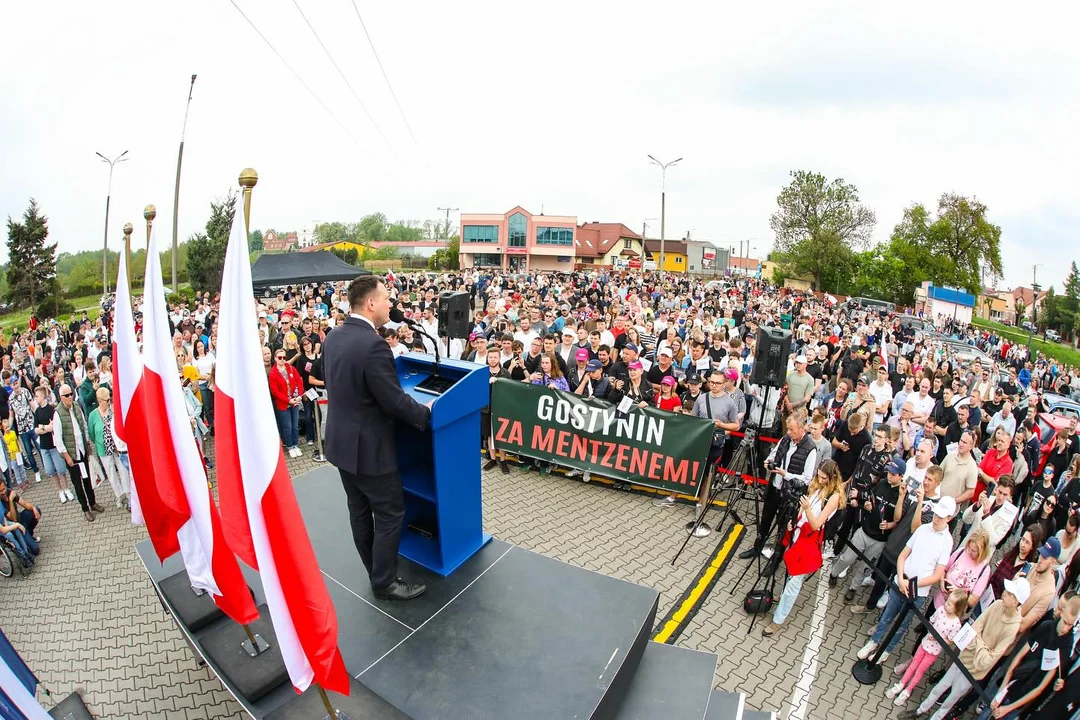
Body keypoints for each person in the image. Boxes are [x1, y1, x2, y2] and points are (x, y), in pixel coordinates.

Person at [323, 275, 431, 602]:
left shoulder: (334, 336)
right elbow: (394, 400)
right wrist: (426, 412)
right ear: (371, 303)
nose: (390, 304)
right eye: (386, 298)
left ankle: (374, 568)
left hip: (341, 445)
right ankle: (384, 582)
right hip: (370, 451)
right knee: (390, 513)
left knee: (359, 511)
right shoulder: (373, 345)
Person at [899, 578, 1027, 720]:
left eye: (1009, 593)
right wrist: (982, 645)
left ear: (1016, 601)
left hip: (974, 670)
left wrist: (977, 641)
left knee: (951, 699)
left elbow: (989, 659)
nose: (1005, 593)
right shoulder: (996, 604)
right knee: (940, 687)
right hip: (964, 656)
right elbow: (974, 628)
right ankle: (920, 710)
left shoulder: (1012, 628)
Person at [761, 459, 843, 637]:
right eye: (818, 476)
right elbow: (802, 508)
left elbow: (816, 524)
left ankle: (778, 620)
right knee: (790, 569)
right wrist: (794, 521)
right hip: (798, 533)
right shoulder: (815, 486)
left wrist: (806, 509)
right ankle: (783, 597)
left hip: (810, 539)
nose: (820, 480)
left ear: (832, 477)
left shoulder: (834, 497)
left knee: (795, 580)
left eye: (824, 478)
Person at [978, 594, 1080, 720]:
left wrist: (1009, 708)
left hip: (1023, 695)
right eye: (1065, 622)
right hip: (1012, 680)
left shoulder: (1066, 646)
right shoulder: (1046, 626)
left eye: (1070, 625)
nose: (1065, 628)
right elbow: (1019, 657)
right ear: (1062, 612)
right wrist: (1002, 689)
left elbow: (1041, 687)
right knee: (986, 713)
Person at [739, 413, 818, 559]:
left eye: (792, 429)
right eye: (788, 429)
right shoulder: (786, 439)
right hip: (774, 489)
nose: (788, 432)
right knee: (765, 521)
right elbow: (774, 454)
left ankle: (777, 558)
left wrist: (785, 474)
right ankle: (757, 548)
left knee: (783, 528)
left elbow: (807, 478)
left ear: (802, 429)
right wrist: (768, 462)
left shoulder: (811, 448)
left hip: (790, 496)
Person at [885, 589, 968, 707]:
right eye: (947, 601)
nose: (946, 604)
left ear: (957, 608)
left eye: (950, 604)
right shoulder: (940, 610)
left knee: (919, 671)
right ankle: (901, 683)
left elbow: (950, 641)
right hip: (924, 644)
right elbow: (931, 621)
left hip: (933, 652)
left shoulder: (956, 624)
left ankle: (908, 690)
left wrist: (937, 638)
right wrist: (930, 630)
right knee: (913, 664)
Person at [52, 383, 101, 522]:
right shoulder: (58, 414)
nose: (70, 397)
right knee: (77, 484)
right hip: (72, 455)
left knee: (87, 480)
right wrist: (66, 456)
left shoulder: (76, 406)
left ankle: (93, 503)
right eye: (66, 395)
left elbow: (83, 426)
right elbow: (58, 439)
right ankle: (85, 508)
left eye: (71, 394)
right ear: (61, 397)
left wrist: (87, 444)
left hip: (82, 450)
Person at [87, 386, 131, 510]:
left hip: (117, 448)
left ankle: (128, 493)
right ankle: (119, 495)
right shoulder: (93, 415)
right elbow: (91, 433)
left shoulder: (112, 412)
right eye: (107, 400)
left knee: (123, 471)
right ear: (100, 400)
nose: (109, 402)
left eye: (109, 399)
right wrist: (99, 442)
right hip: (103, 449)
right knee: (111, 474)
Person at [34, 385, 73, 504]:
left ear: (42, 396)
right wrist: (45, 427)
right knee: (51, 471)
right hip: (44, 446)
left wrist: (43, 427)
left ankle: (66, 489)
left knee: (61, 470)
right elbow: (36, 430)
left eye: (37, 396)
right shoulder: (37, 412)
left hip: (54, 445)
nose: (35, 398)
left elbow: (54, 427)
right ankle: (60, 491)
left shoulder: (51, 410)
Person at [268, 347, 304, 458]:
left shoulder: (291, 369)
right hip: (283, 405)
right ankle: (290, 446)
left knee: (295, 426)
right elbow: (275, 391)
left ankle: (295, 444)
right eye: (280, 357)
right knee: (287, 426)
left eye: (284, 357)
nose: (282, 359)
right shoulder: (273, 373)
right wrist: (288, 400)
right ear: (275, 358)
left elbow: (299, 382)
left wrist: (299, 396)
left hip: (295, 402)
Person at [481, 346, 511, 475]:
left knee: (501, 435)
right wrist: (487, 382)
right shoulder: (482, 373)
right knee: (489, 435)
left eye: (495, 357)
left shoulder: (506, 373)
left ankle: (503, 460)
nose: (492, 359)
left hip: (501, 409)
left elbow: (510, 391)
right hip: (486, 409)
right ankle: (493, 459)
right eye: (490, 357)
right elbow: (477, 389)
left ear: (499, 358)